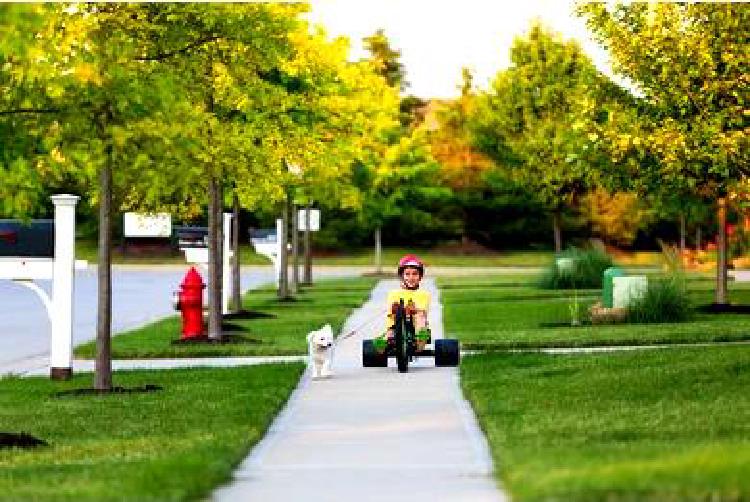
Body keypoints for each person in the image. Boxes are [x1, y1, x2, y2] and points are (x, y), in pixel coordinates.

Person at [381, 254, 431, 351]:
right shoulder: (393, 294)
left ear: (420, 276)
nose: (411, 278)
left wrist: (413, 309)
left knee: (420, 317)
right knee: (380, 345)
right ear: (402, 276)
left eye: (415, 274)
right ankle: (387, 342)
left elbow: (422, 312)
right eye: (407, 274)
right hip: (395, 327)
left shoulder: (424, 294)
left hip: (416, 326)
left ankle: (420, 341)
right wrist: (395, 308)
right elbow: (391, 313)